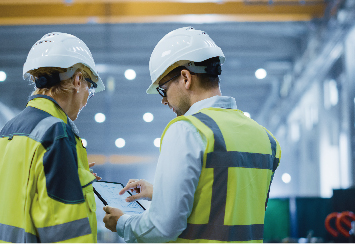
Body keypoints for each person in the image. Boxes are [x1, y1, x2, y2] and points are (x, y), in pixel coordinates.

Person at [103, 26, 281, 243]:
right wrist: (161, 193)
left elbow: (163, 227)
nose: (164, 100)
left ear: (186, 78)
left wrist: (122, 223)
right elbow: (227, 202)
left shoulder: (187, 130)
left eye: (163, 89)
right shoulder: (266, 139)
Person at [0, 32, 104, 243]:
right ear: (77, 80)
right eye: (89, 89)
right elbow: (66, 232)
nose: (85, 100)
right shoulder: (56, 134)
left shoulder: (2, 135)